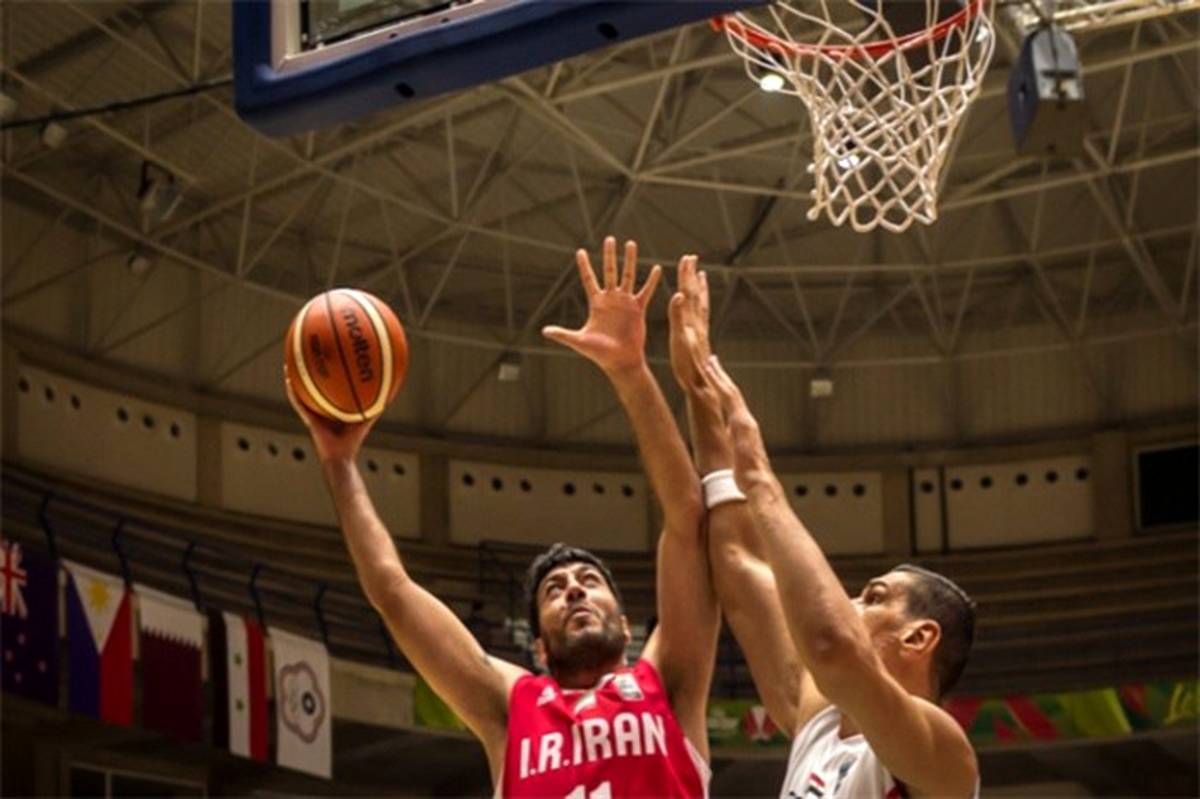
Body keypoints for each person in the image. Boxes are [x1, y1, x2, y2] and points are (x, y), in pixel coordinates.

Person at [288, 236, 719, 797]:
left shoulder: (670, 682)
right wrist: (340, 465)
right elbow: (392, 591)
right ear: (538, 647)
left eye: (589, 581)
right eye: (554, 591)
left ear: (626, 622)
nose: (574, 590)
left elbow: (686, 518)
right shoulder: (511, 708)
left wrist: (631, 372)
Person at [665, 256, 980, 799]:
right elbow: (739, 563)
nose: (850, 602)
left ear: (918, 636)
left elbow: (833, 644)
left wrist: (761, 480)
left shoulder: (943, 755)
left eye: (873, 597)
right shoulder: (819, 715)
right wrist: (698, 386)